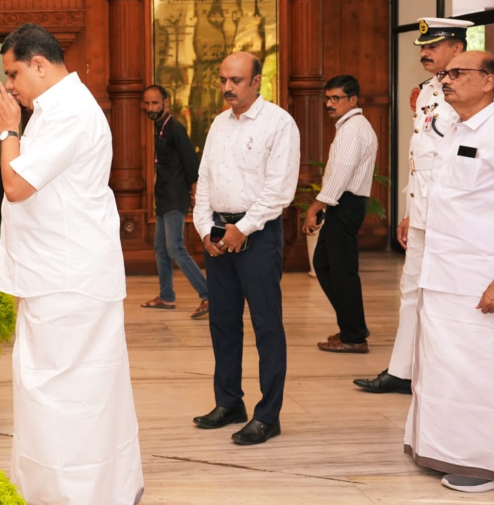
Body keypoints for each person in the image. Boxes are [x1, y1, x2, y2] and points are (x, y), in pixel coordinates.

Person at [0, 23, 144, 504]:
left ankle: (74, 494)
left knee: (69, 398)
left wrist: (7, 130)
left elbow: (16, 186)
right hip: (55, 275)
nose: (9, 85)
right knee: (57, 393)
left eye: (13, 73)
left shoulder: (70, 112)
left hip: (69, 279)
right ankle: (59, 489)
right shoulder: (55, 110)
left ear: (39, 64)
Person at [354, 18, 469, 393]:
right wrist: (408, 211)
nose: (424, 53)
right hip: (422, 212)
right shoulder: (426, 92)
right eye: (423, 47)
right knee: (411, 292)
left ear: (457, 47)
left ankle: (444, 374)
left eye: (433, 46)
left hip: (452, 214)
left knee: (448, 295)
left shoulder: (472, 92)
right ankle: (402, 371)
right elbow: (419, 157)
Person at [191, 51, 300, 446]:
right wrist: (205, 229)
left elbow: (279, 190)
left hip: (258, 235)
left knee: (266, 325)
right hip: (219, 233)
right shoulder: (219, 124)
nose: (227, 87)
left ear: (257, 81)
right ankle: (229, 403)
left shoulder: (279, 124)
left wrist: (244, 228)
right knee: (222, 322)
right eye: (223, 80)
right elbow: (204, 180)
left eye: (235, 80)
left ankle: (267, 416)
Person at [404, 50, 494, 494]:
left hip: (477, 277)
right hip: (441, 272)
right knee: (440, 369)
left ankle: (481, 463)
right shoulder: (455, 126)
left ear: (489, 81)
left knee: (476, 371)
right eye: (446, 74)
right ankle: (439, 448)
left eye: (458, 73)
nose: (447, 80)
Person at [302, 75, 378, 353]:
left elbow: (341, 174)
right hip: (343, 203)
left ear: (353, 100)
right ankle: (352, 325)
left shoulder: (353, 129)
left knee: (341, 271)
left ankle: (354, 336)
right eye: (327, 98)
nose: (329, 103)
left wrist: (315, 208)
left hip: (346, 203)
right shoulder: (351, 126)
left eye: (336, 98)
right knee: (325, 264)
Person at [139, 84, 210, 318]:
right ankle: (167, 296)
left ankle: (208, 294)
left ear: (166, 103)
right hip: (163, 197)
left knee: (175, 248)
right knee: (161, 248)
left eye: (155, 103)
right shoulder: (159, 127)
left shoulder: (175, 128)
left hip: (175, 197)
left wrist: (195, 193)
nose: (151, 108)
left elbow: (192, 162)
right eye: (147, 104)